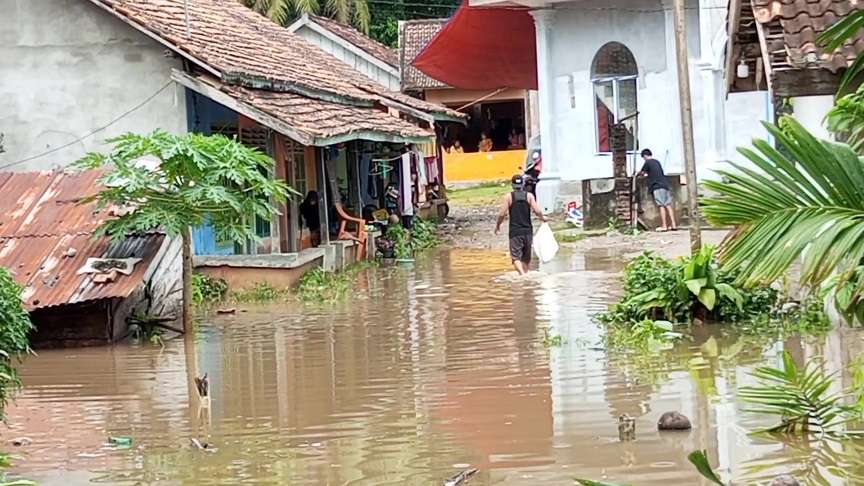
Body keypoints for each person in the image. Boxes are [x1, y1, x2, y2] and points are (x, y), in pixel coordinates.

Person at [495, 174, 548, 276]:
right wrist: (543, 219)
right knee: (525, 258)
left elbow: (502, 214)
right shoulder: (529, 196)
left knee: (516, 257)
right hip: (528, 231)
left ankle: (522, 275)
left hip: (515, 231)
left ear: (512, 185)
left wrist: (498, 225)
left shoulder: (509, 197)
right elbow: (537, 211)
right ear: (523, 184)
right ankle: (525, 276)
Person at [638, 149, 677, 232]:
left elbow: (641, 173)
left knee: (661, 205)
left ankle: (664, 226)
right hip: (665, 185)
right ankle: (673, 224)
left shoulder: (648, 162)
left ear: (645, 156)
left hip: (657, 186)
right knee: (668, 205)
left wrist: (637, 173)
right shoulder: (657, 162)